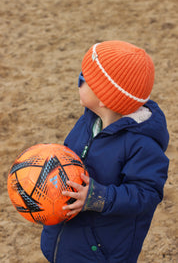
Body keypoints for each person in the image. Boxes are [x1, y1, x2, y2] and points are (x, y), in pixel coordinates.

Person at [41, 40, 169, 263]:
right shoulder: (89, 120)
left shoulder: (142, 144)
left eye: (83, 79)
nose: (77, 81)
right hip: (66, 239)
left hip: (99, 251)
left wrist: (98, 197)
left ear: (104, 97)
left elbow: (147, 193)